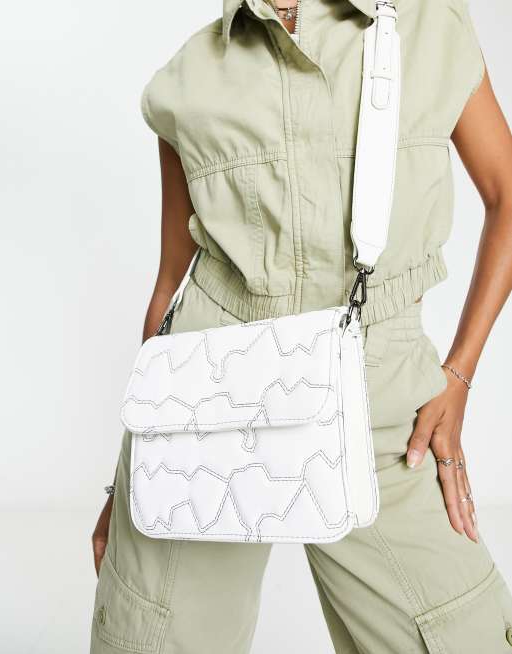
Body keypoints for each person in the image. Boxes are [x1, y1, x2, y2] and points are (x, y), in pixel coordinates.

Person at [90, 1, 512, 652]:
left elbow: (507, 194)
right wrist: (139, 470)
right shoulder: (188, 76)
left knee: (463, 636)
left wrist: (457, 375)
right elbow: (172, 282)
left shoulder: (429, 25)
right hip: (205, 415)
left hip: (385, 409)